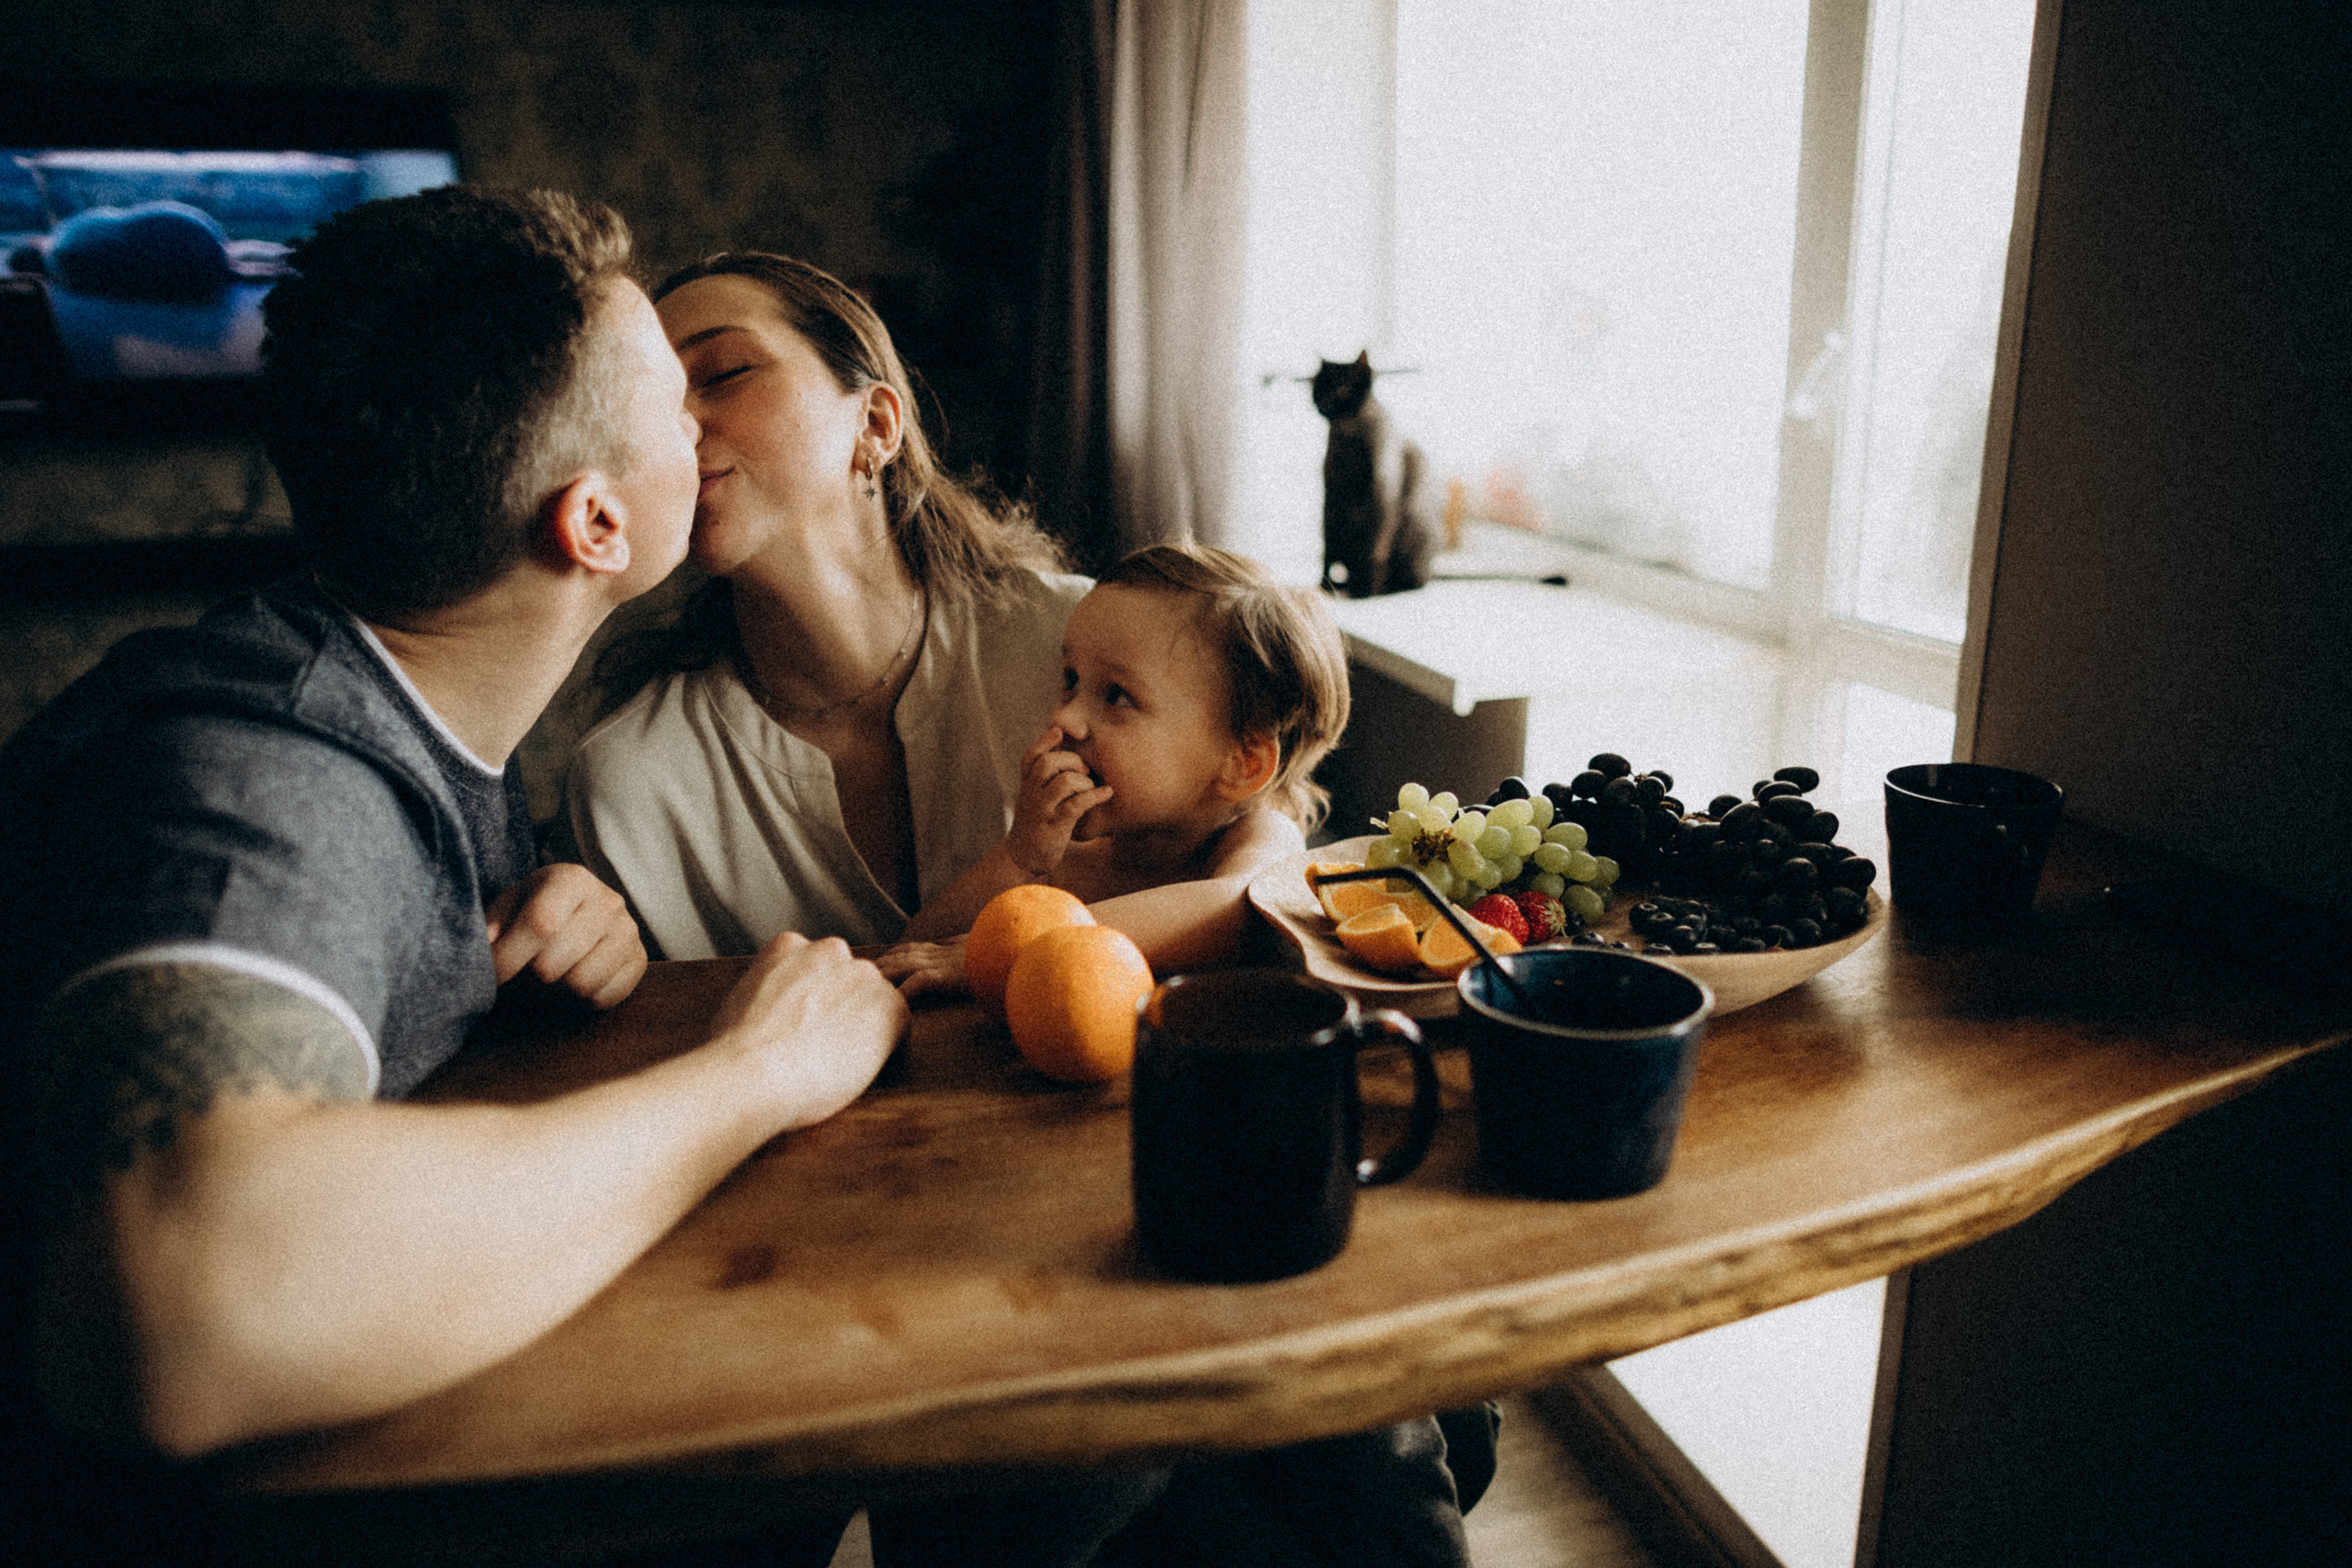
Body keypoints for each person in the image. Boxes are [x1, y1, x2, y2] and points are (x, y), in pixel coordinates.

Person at [0, 187, 907, 1562]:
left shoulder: (410, 707)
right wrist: (756, 1074)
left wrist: (485, 949)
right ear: (595, 525)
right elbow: (187, 1303)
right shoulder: (267, 779)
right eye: (671, 402)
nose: (699, 427)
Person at [565, 250, 1094, 960]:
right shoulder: (636, 786)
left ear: (875, 422)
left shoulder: (1073, 649)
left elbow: (1232, 847)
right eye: (655, 403)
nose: (680, 424)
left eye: (724, 373)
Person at [881, 541, 1348, 991]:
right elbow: (910, 952)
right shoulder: (1065, 862)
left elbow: (1238, 907)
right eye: (1071, 680)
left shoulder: (1259, 838)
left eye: (1117, 696)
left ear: (1242, 764)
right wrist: (1018, 858)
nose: (1065, 719)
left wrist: (1007, 950)